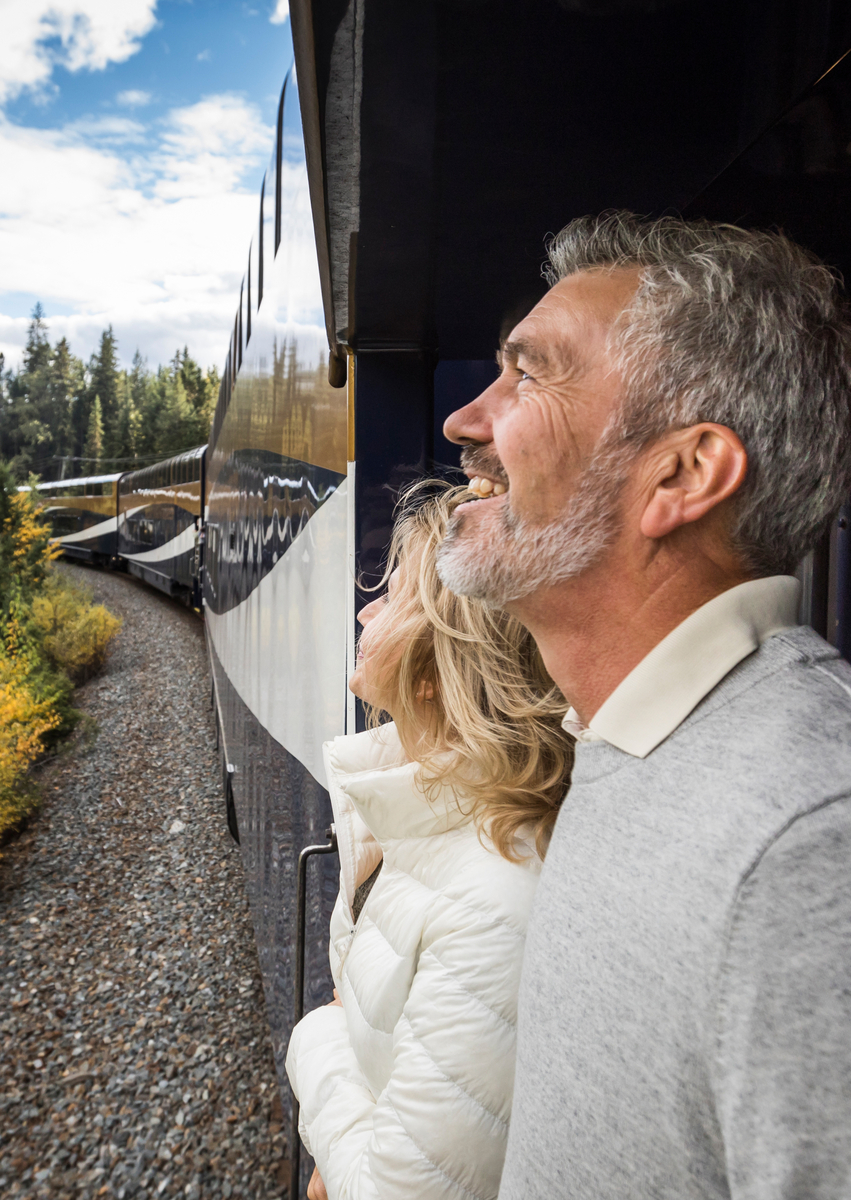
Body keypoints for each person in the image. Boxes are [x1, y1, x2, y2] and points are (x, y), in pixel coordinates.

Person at [437, 211, 851, 1198]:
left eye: (530, 375)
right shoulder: (638, 748)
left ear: (683, 475)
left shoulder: (842, 846)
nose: (467, 422)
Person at [285, 483, 574, 1200]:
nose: (365, 610)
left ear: (433, 669)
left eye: (391, 598)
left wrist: (316, 1040)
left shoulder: (497, 897)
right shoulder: (428, 826)